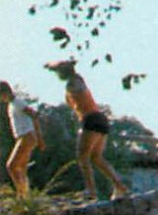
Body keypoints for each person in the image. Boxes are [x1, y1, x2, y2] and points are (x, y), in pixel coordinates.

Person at [44, 59, 128, 200]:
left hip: (90, 119)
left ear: (63, 72)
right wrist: (50, 66)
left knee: (82, 156)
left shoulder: (72, 83)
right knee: (96, 157)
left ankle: (91, 191)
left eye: (58, 73)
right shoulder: (79, 79)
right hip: (101, 119)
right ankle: (120, 187)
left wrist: (53, 66)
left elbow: (71, 95)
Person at [1, 82, 45, 197]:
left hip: (26, 136)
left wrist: (40, 138)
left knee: (11, 166)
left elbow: (34, 115)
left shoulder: (18, 103)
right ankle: (26, 196)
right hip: (24, 137)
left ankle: (22, 194)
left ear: (5, 93)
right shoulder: (12, 105)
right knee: (21, 168)